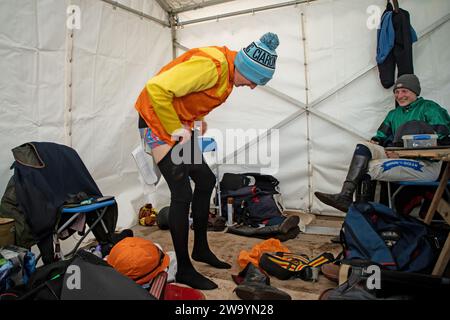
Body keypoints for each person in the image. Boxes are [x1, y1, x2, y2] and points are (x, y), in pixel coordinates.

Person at [134, 33, 280, 290]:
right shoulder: (212, 65)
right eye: (255, 80)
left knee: (205, 179)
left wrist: (193, 123)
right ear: (246, 67)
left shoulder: (229, 73)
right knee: (181, 192)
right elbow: (157, 89)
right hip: (157, 123)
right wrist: (176, 128)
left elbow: (189, 97)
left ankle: (200, 248)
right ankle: (185, 269)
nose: (253, 86)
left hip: (177, 126)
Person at [315, 74, 450, 213]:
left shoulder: (430, 108)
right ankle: (346, 195)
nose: (399, 95)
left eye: (405, 91)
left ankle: (366, 216)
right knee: (364, 146)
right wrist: (376, 141)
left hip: (426, 164)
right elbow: (381, 137)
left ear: (415, 91)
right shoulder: (393, 114)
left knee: (369, 168)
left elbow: (441, 139)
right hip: (398, 156)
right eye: (396, 92)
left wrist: (402, 154)